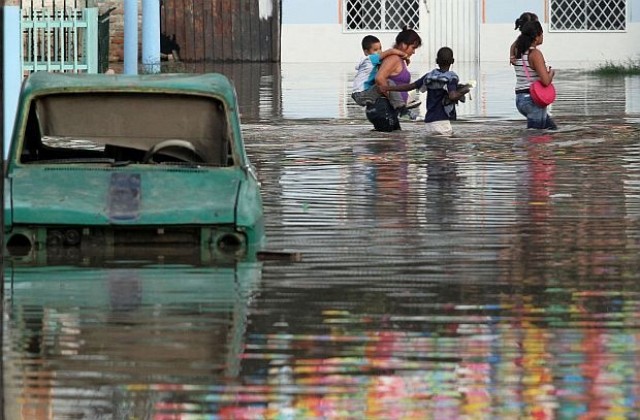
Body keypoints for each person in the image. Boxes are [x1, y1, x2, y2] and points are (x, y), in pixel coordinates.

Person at [381, 47, 472, 137]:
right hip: (442, 121)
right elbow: (452, 96)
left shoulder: (429, 76)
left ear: (436, 61)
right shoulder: (451, 78)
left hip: (429, 121)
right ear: (453, 61)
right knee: (447, 147)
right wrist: (465, 89)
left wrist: (387, 88)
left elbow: (410, 86)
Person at [366, 28, 422, 132]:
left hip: (385, 110)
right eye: (413, 48)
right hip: (383, 109)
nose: (414, 52)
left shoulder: (398, 59)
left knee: (394, 141)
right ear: (403, 45)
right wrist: (392, 98)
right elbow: (379, 78)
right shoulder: (394, 59)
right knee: (393, 144)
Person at [513, 20, 557, 130]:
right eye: (541, 33)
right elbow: (546, 81)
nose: (542, 36)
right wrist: (551, 73)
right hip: (533, 100)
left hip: (520, 99)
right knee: (535, 138)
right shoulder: (535, 54)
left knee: (550, 129)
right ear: (536, 37)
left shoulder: (517, 51)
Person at [351, 35, 408, 107]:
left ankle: (397, 102)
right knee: (388, 82)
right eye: (375, 50)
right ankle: (400, 107)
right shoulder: (370, 59)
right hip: (361, 94)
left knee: (387, 81)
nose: (379, 52)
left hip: (363, 93)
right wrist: (405, 56)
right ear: (366, 52)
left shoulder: (375, 62)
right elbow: (391, 51)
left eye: (380, 48)